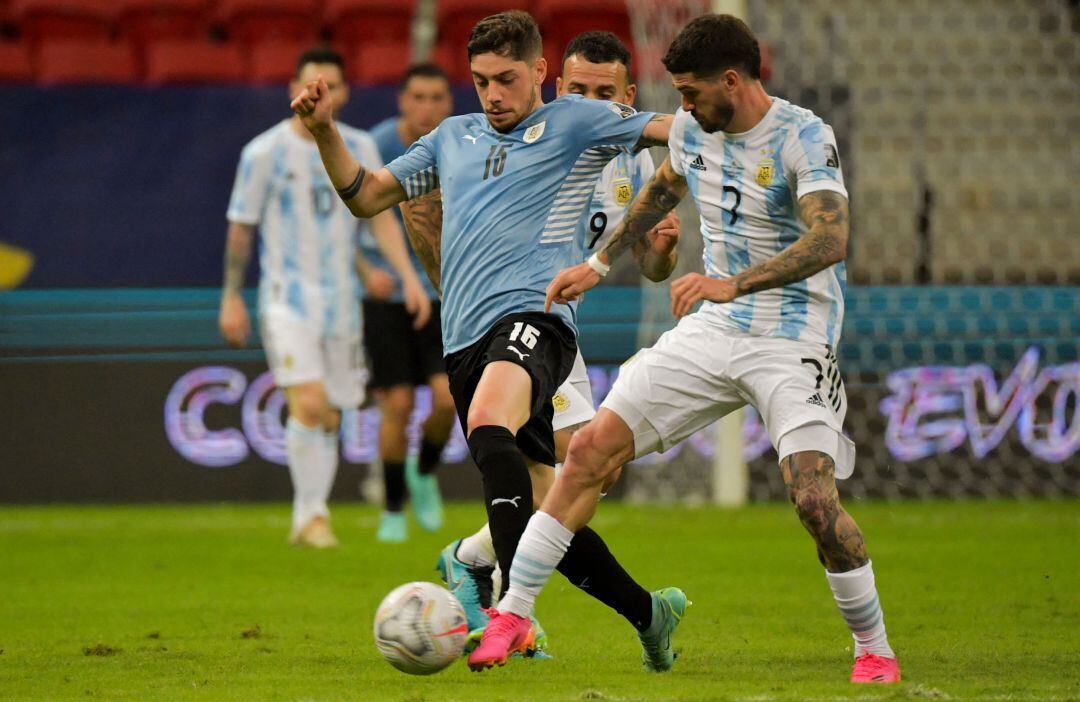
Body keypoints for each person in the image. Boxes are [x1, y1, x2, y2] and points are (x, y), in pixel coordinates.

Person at [477, 14, 902, 684]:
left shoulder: (802, 135)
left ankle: (873, 648)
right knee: (588, 451)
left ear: (732, 80)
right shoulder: (695, 131)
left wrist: (733, 281)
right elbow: (661, 189)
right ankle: (514, 611)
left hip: (792, 335)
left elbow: (831, 238)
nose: (682, 108)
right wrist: (599, 261)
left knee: (814, 501)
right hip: (713, 329)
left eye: (691, 93)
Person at [291, 11, 688, 671]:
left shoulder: (577, 120)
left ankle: (511, 613)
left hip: (538, 321)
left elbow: (680, 127)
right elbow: (365, 196)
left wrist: (725, 116)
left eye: (507, 79)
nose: (494, 95)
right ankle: (649, 613)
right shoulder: (451, 137)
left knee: (486, 425)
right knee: (550, 501)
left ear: (539, 75)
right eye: (481, 82)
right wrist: (325, 133)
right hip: (467, 336)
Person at [433, 29, 677, 649]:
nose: (591, 102)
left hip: (561, 324)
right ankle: (506, 590)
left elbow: (650, 267)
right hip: (524, 317)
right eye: (578, 90)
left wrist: (662, 252)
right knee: (573, 474)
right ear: (555, 86)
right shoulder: (532, 142)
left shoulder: (633, 158)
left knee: (581, 479)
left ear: (626, 98)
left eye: (606, 93)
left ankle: (479, 560)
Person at [219, 46, 430, 549]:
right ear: (294, 86)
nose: (318, 92)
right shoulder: (263, 152)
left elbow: (380, 217)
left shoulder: (356, 146)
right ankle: (312, 515)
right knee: (310, 404)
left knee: (332, 413)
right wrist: (230, 295)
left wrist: (409, 278)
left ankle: (309, 516)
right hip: (286, 299)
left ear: (342, 93)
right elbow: (241, 230)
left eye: (329, 84)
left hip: (342, 302)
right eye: (311, 82)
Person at [361, 64, 455, 542]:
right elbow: (347, 213)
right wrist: (364, 270)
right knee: (395, 403)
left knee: (447, 398)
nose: (428, 107)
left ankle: (424, 471)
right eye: (418, 96)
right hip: (386, 297)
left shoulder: (461, 143)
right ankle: (393, 509)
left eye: (437, 96)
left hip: (443, 290)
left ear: (449, 102)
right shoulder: (375, 145)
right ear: (402, 100)